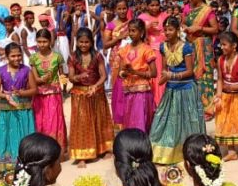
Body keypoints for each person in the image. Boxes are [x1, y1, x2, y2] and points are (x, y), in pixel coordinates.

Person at [149, 17, 206, 165]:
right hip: (171, 88)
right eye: (165, 30)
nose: (167, 32)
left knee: (188, 120)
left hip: (186, 88)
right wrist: (163, 78)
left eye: (170, 29)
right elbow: (164, 69)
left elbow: (189, 71)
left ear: (177, 30)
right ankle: (165, 153)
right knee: (166, 119)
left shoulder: (186, 47)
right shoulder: (163, 47)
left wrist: (172, 76)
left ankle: (191, 152)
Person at [67, 28, 114, 165]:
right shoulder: (73, 57)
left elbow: (103, 76)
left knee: (99, 120)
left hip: (96, 93)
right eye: (81, 42)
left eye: (86, 42)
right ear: (77, 42)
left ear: (91, 42)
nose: (83, 45)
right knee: (82, 123)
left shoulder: (97, 56)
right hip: (80, 95)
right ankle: (82, 155)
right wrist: (78, 77)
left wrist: (95, 86)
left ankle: (103, 149)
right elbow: (70, 77)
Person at [0, 43, 37, 162]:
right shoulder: (1, 71)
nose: (17, 58)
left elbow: (34, 90)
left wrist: (21, 93)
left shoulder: (26, 70)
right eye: (13, 56)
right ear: (7, 56)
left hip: (23, 110)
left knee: (24, 134)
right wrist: (6, 95)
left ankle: (25, 161)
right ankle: (8, 163)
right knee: (7, 134)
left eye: (19, 55)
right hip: (7, 111)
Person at [184, 0, 221, 119]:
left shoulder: (207, 10)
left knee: (205, 76)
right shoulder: (188, 8)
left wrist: (199, 28)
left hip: (204, 47)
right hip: (190, 45)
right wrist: (185, 28)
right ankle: (193, 107)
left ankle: (207, 109)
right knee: (191, 75)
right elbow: (184, 23)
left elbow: (215, 29)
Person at [115, 19, 158, 132]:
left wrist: (135, 72)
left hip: (142, 93)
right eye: (129, 31)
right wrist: (125, 73)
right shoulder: (124, 49)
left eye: (134, 31)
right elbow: (120, 73)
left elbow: (154, 73)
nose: (131, 33)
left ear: (142, 32)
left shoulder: (146, 50)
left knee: (140, 123)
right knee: (129, 122)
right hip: (128, 92)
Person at [31, 29, 68, 155]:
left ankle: (57, 149)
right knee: (40, 121)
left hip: (54, 94)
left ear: (50, 41)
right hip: (39, 95)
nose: (41, 44)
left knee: (54, 121)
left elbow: (62, 75)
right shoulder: (33, 58)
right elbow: (35, 78)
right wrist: (42, 79)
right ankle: (42, 150)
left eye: (44, 41)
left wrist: (63, 84)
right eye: (39, 41)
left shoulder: (57, 57)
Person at [215, 32, 238, 161]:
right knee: (226, 123)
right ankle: (231, 151)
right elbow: (220, 79)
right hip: (226, 96)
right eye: (221, 44)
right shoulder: (220, 60)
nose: (222, 47)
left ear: (234, 46)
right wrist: (218, 95)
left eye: (224, 44)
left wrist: (231, 87)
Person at [138, 0, 170, 103]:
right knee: (151, 76)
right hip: (148, 51)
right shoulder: (142, 18)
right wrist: (147, 28)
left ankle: (162, 101)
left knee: (162, 75)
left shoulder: (165, 16)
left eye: (157, 5)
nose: (155, 8)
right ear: (147, 6)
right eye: (152, 5)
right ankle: (152, 102)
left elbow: (171, 31)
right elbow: (136, 34)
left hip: (164, 51)